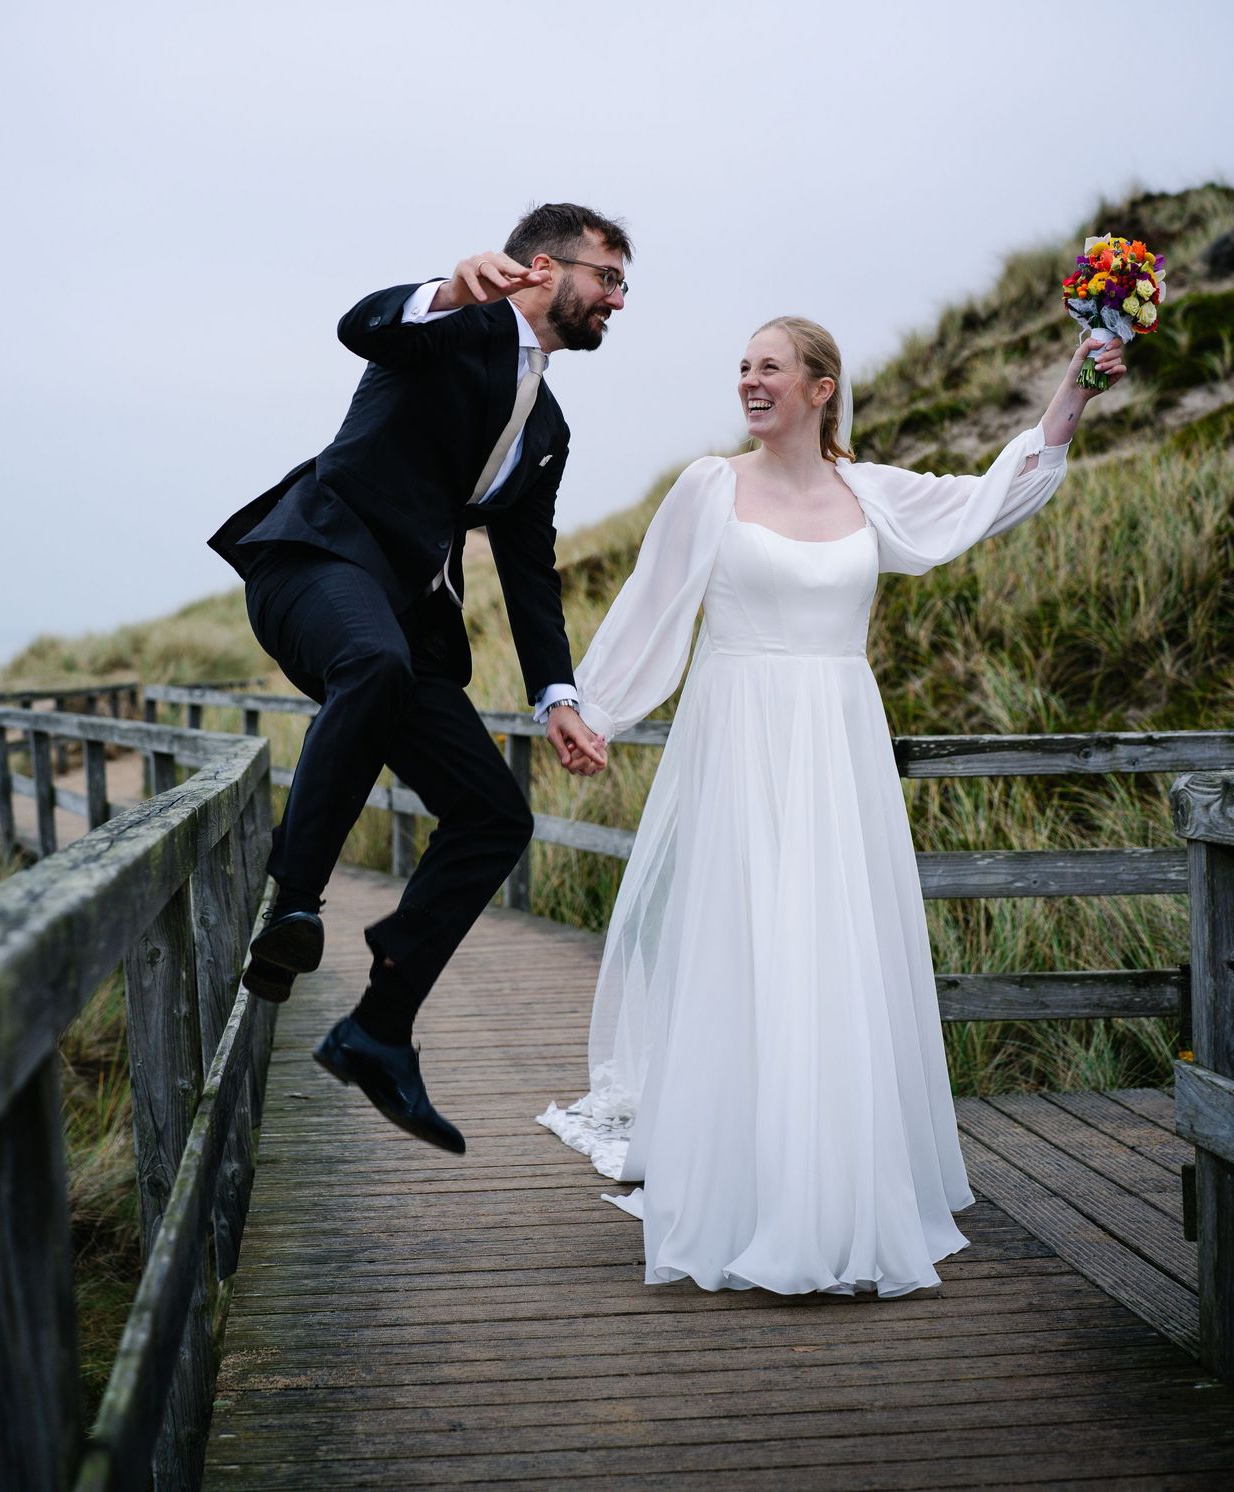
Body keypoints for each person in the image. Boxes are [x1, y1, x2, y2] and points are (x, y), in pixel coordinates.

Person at [539, 317, 1127, 1294]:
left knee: (828, 952)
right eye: (739, 368)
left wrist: (1070, 390)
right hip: (737, 742)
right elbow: (648, 604)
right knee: (746, 949)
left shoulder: (870, 494)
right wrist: (587, 707)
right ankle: (745, 1183)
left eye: (767, 367)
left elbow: (988, 498)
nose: (747, 381)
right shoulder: (707, 487)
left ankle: (837, 1185)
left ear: (820, 389)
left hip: (837, 745)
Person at [209, 204, 626, 1154]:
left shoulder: (549, 427)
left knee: (496, 815)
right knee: (373, 661)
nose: (616, 299)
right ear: (540, 268)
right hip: (313, 565)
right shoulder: (452, 327)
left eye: (621, 285)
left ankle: (378, 1028)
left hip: (407, 627)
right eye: (607, 277)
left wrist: (557, 696)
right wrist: (444, 291)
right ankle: (295, 904)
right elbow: (361, 324)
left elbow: (529, 569)